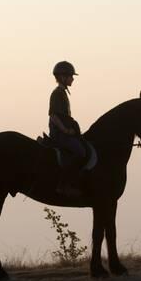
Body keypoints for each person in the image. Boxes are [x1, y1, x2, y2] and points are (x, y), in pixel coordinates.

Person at [49, 61, 86, 197]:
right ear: (63, 77)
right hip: (60, 134)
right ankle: (64, 185)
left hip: (65, 132)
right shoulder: (57, 93)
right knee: (80, 152)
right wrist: (65, 130)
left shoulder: (63, 93)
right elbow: (53, 115)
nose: (73, 79)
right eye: (70, 76)